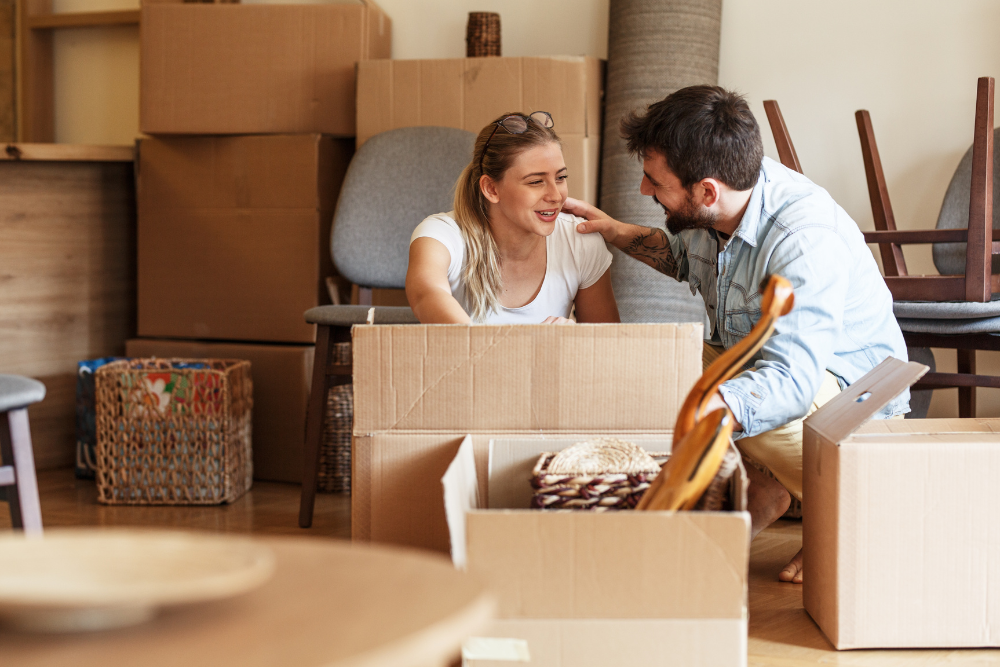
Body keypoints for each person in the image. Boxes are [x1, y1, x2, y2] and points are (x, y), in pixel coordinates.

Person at [564, 86, 909, 583]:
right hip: (780, 371)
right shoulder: (724, 199)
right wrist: (616, 232)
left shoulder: (802, 241)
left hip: (852, 400)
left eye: (654, 181)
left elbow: (790, 383)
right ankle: (766, 489)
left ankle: (851, 516)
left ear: (706, 191)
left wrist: (707, 408)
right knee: (665, 364)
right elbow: (687, 259)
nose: (644, 191)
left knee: (727, 398)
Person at [406, 111, 620, 325]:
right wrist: (525, 348)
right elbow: (426, 294)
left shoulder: (580, 241)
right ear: (491, 189)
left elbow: (609, 348)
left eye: (560, 177)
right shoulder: (440, 235)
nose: (556, 196)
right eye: (536, 181)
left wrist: (573, 343)